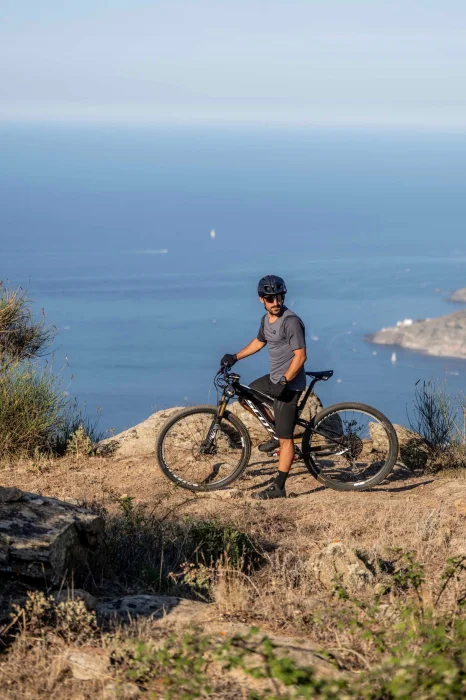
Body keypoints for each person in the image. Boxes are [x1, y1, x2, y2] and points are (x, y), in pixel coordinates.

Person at [221, 275, 306, 499]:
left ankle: (279, 487)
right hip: (274, 379)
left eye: (279, 297)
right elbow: (259, 342)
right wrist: (235, 357)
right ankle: (276, 433)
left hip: (289, 385)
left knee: (287, 439)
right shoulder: (265, 320)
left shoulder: (291, 322)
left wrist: (284, 382)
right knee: (245, 396)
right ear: (261, 299)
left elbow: (300, 356)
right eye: (270, 299)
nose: (275, 302)